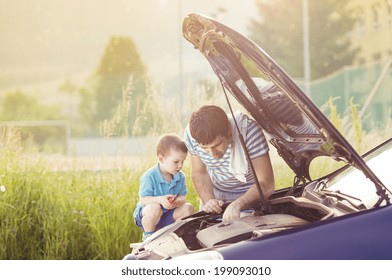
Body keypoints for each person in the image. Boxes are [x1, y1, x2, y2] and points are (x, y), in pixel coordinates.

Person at [184, 105, 275, 222]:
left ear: (228, 131)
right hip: (216, 195)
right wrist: (209, 201)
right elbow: (199, 173)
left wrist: (237, 204)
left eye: (216, 145)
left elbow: (266, 184)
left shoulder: (249, 132)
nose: (212, 153)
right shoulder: (191, 135)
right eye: (205, 148)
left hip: (250, 197)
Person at [133, 133, 194, 241]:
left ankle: (172, 235)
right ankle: (148, 237)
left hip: (168, 215)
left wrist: (176, 202)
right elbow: (144, 199)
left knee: (188, 208)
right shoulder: (149, 176)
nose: (180, 165)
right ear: (161, 159)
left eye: (182, 161)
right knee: (155, 207)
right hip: (149, 215)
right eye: (176, 162)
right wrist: (160, 200)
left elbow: (183, 198)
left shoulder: (180, 177)